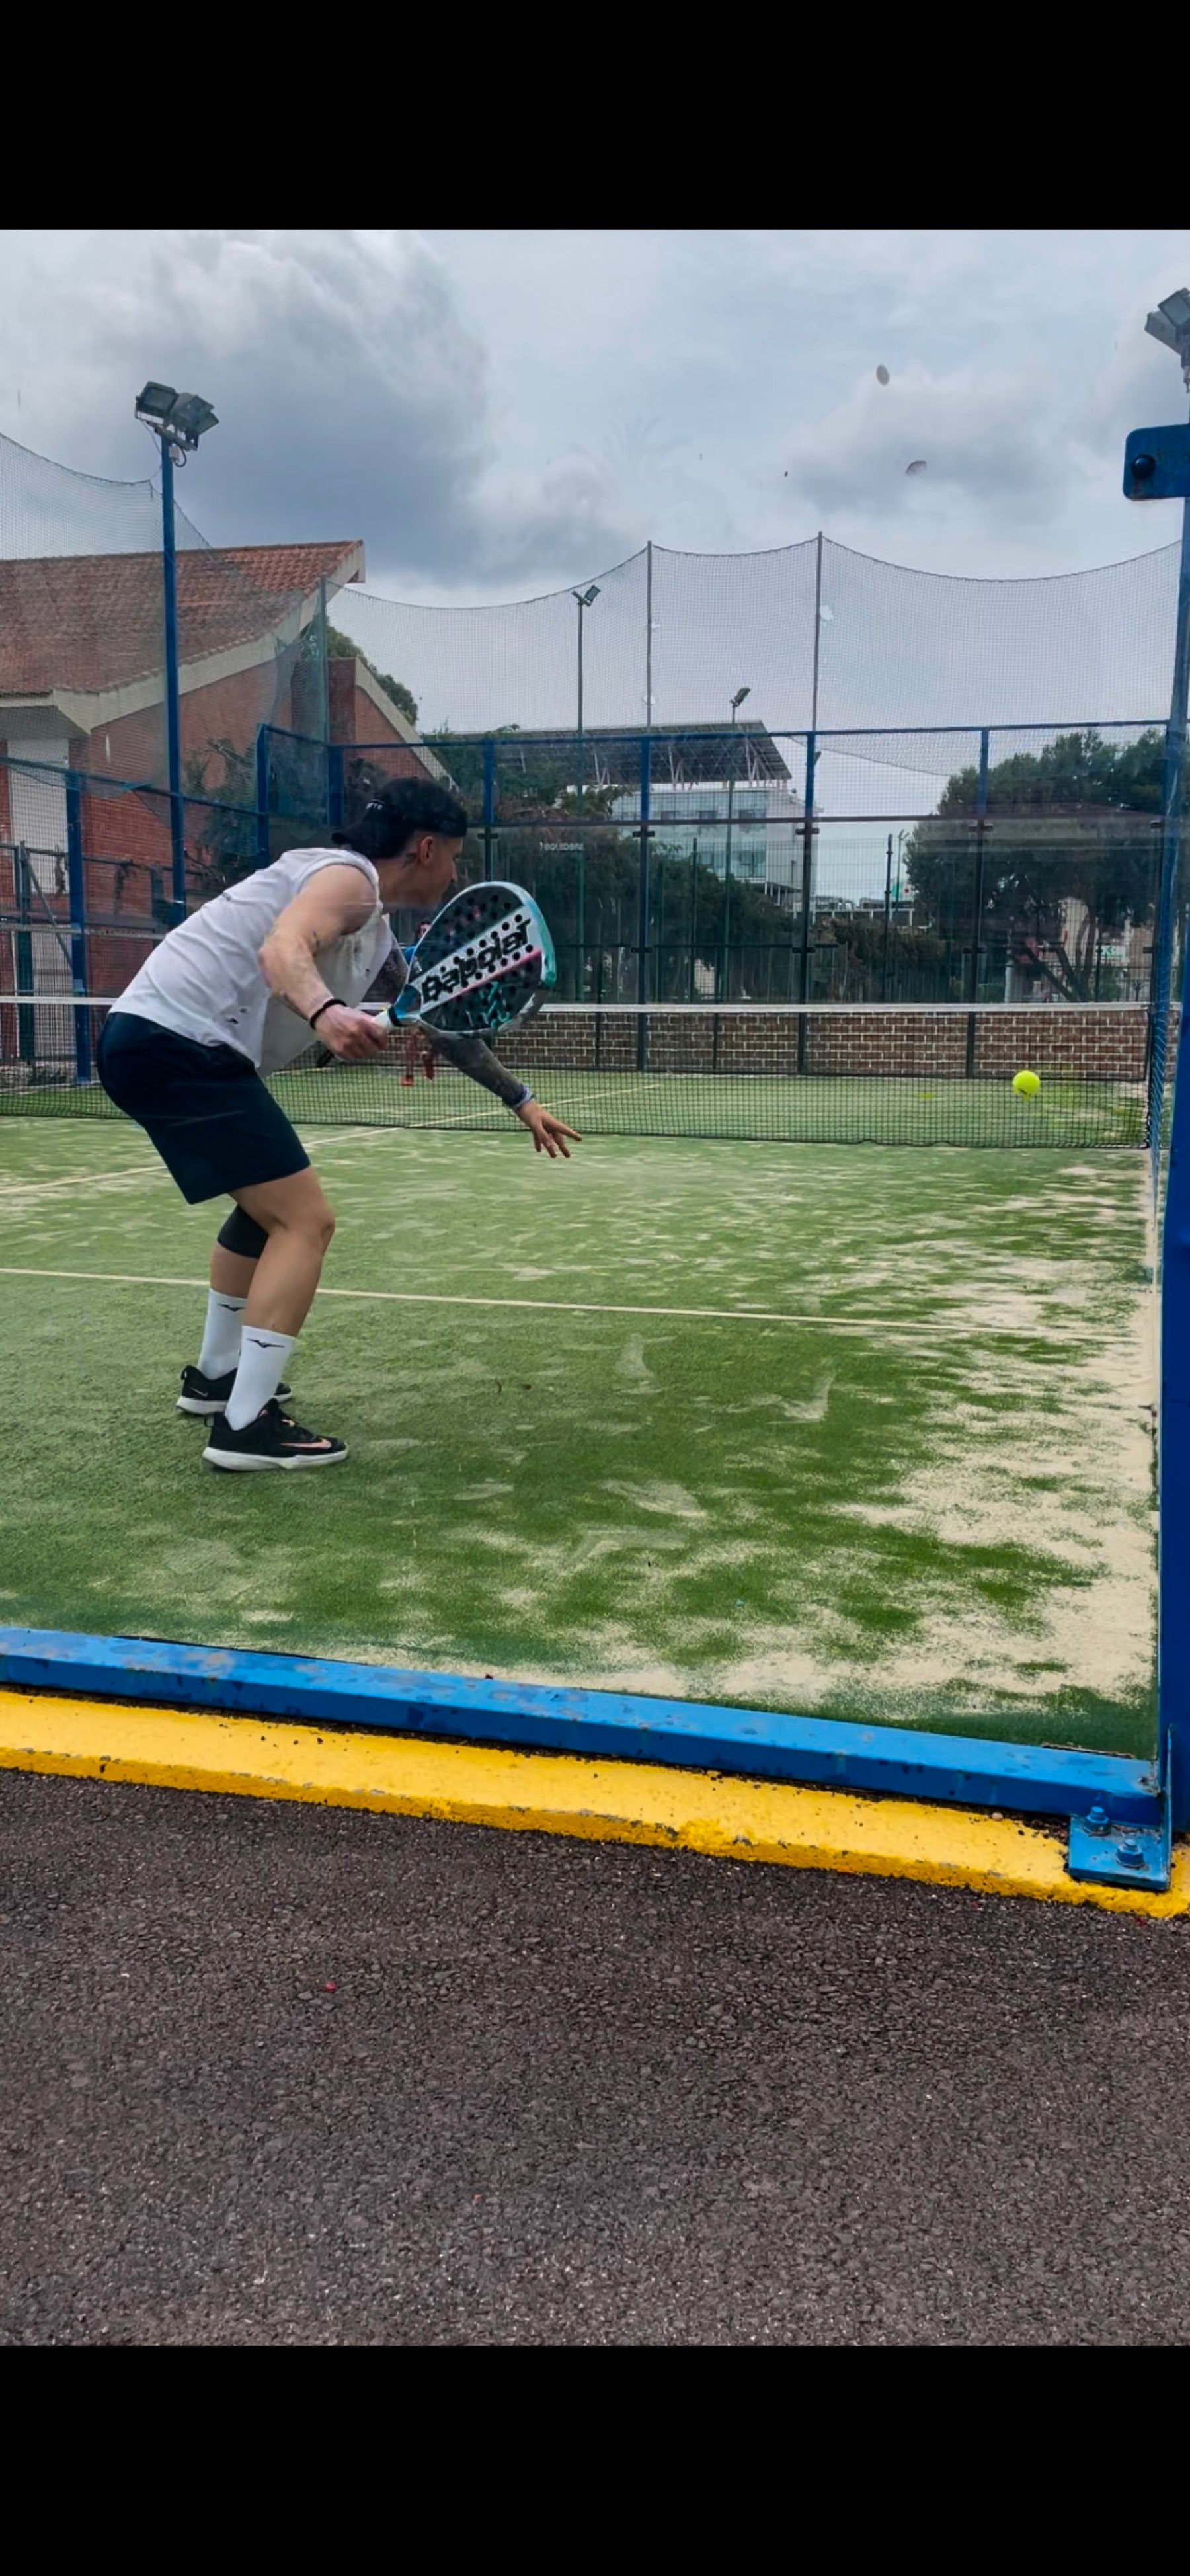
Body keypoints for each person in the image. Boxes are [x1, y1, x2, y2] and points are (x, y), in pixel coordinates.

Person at [96, 777, 580, 1471]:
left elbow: (443, 1026)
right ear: (425, 848)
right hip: (180, 1046)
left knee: (264, 1213)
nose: (454, 874)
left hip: (150, 1042)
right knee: (306, 1222)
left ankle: (216, 1378)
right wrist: (326, 1013)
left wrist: (520, 1099)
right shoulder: (348, 881)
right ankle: (245, 1427)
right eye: (452, 857)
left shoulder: (373, 929)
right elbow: (282, 948)